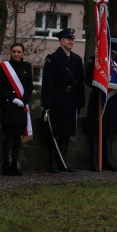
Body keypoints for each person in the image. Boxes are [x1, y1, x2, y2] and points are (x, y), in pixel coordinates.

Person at [41, 28, 85, 172]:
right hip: (57, 100)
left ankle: (63, 162)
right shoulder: (52, 58)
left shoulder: (77, 59)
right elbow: (47, 83)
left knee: (67, 132)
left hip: (71, 100)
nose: (71, 41)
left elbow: (79, 82)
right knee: (55, 132)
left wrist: (80, 101)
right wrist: (47, 103)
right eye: (68, 39)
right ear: (61, 41)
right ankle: (53, 163)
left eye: (72, 39)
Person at [84, 37, 117, 172]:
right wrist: (100, 85)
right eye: (113, 53)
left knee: (109, 130)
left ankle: (108, 160)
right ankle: (94, 161)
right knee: (95, 130)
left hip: (113, 99)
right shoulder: (96, 59)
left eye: (116, 53)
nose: (115, 55)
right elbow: (88, 79)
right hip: (98, 97)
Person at [0, 42, 33, 175]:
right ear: (10, 53)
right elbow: (1, 87)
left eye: (19, 52)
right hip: (9, 107)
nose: (16, 54)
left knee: (18, 138)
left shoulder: (27, 67)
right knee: (8, 137)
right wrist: (13, 99)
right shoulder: (4, 67)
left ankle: (14, 165)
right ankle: (5, 165)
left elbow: (29, 87)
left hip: (21, 108)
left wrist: (23, 101)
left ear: (23, 53)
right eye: (14, 51)